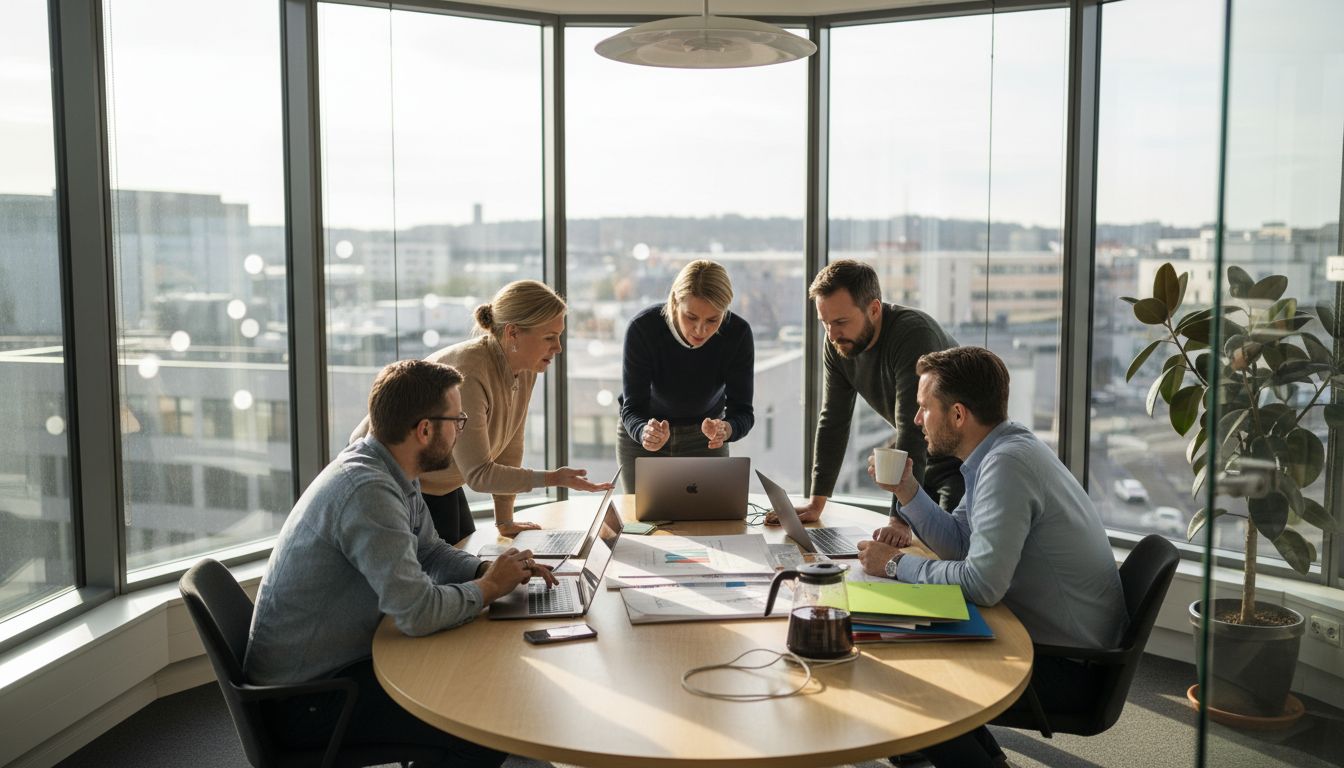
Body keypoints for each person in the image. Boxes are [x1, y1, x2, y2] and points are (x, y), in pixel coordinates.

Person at [245, 359, 556, 767]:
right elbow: (416, 613)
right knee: (481, 722)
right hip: (308, 702)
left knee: (480, 687)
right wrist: (490, 589)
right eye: (457, 421)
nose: (460, 430)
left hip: (337, 668)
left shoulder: (392, 468)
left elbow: (428, 549)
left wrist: (488, 571)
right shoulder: (368, 491)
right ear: (425, 429)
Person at [856, 346, 1128, 768]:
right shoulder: (998, 452)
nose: (916, 420)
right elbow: (961, 541)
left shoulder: (1006, 466)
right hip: (1060, 641)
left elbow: (982, 585)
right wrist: (907, 489)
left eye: (925, 408)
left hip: (1071, 666)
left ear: (958, 415)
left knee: (906, 664)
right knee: (898, 634)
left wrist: (893, 564)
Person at [352, 280, 612, 542]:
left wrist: (505, 520)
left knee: (464, 556)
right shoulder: (470, 373)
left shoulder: (524, 367)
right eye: (549, 338)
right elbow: (479, 474)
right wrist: (554, 478)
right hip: (394, 480)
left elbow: (511, 447)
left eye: (559, 336)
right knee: (444, 570)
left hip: (441, 482)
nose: (558, 348)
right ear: (512, 334)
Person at [770, 259, 961, 545]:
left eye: (841, 322)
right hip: (921, 461)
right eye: (825, 324)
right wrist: (816, 503)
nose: (832, 334)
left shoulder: (913, 334)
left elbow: (911, 429)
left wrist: (899, 519)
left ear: (873, 309)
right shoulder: (839, 343)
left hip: (959, 462)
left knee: (947, 551)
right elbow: (833, 420)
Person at [617, 259, 754, 493]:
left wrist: (726, 429)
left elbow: (743, 411)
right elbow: (632, 408)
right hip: (645, 438)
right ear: (674, 302)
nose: (701, 330)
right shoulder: (643, 329)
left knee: (709, 522)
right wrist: (644, 432)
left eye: (713, 320)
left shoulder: (737, 334)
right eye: (691, 317)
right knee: (645, 523)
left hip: (706, 438)